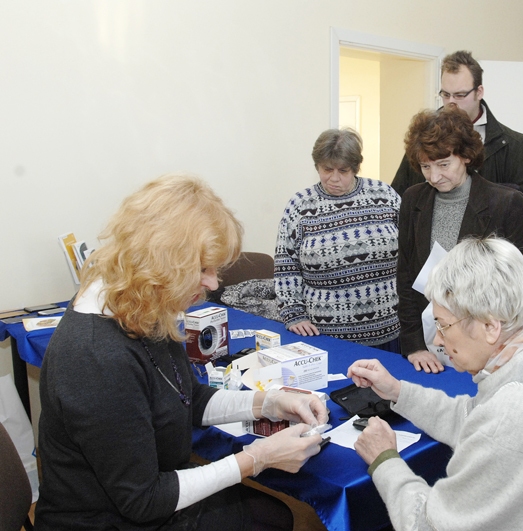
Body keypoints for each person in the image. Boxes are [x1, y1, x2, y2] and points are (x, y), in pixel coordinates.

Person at [36, 174, 328, 531]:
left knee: (274, 516)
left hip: (149, 495)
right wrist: (258, 458)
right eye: (203, 269)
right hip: (110, 519)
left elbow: (189, 397)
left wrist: (269, 403)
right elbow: (144, 500)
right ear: (162, 261)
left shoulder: (140, 304)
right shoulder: (97, 358)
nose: (214, 283)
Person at [348, 237, 523, 530]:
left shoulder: (516, 414)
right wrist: (398, 390)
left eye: (443, 325)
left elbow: (430, 525)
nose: (437, 340)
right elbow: (475, 418)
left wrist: (384, 460)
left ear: (489, 326)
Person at [398, 107, 523, 373]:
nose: (434, 176)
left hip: (490, 349)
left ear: (466, 156)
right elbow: (406, 275)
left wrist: (479, 296)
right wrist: (414, 345)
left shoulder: (505, 203)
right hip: (432, 345)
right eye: (426, 167)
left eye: (443, 165)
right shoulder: (413, 200)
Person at [274, 128, 401, 351]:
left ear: (356, 167)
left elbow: (412, 253)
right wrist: (293, 314)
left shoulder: (385, 196)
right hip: (326, 338)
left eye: (343, 170)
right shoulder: (300, 206)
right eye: (327, 169)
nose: (334, 178)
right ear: (317, 167)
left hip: (389, 331)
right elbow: (286, 266)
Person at [391, 50, 523, 206]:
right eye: (445, 94)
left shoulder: (513, 143)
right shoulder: (423, 137)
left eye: (460, 95)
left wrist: (493, 197)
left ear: (479, 92)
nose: (451, 102)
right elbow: (398, 195)